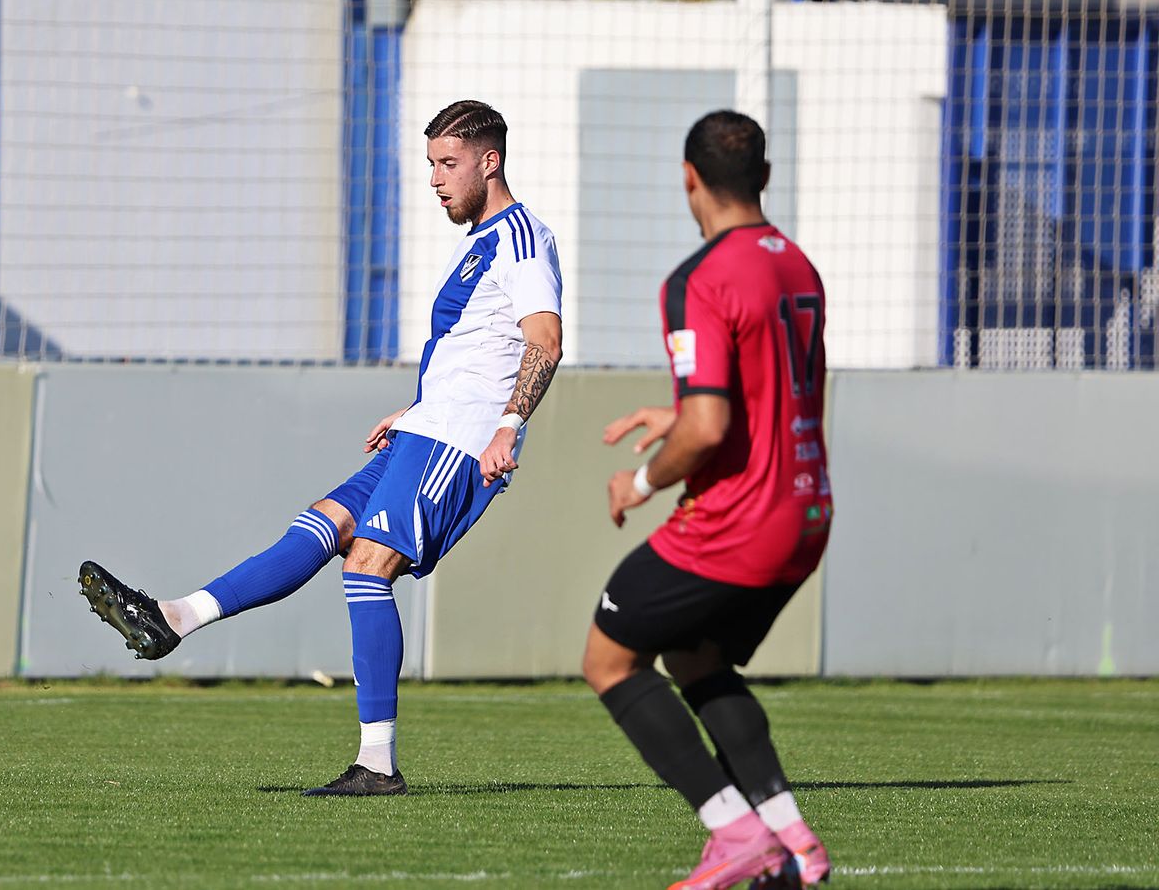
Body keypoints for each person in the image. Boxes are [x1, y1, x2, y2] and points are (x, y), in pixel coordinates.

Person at [78, 100, 563, 796]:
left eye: (448, 163)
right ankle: (174, 618)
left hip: (459, 443)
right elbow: (477, 349)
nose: (435, 179)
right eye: (429, 164)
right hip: (429, 426)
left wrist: (507, 426)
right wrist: (417, 407)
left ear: (490, 161)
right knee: (320, 523)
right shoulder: (481, 240)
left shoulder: (521, 238)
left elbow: (544, 340)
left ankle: (377, 765)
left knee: (368, 565)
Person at [584, 111, 833, 890]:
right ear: (764, 177)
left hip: (740, 521)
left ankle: (734, 833)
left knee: (609, 658)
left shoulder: (700, 277)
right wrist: (680, 415)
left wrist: (644, 478)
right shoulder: (796, 263)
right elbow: (759, 391)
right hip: (808, 511)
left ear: (688, 178)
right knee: (695, 654)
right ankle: (793, 840)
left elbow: (711, 423)